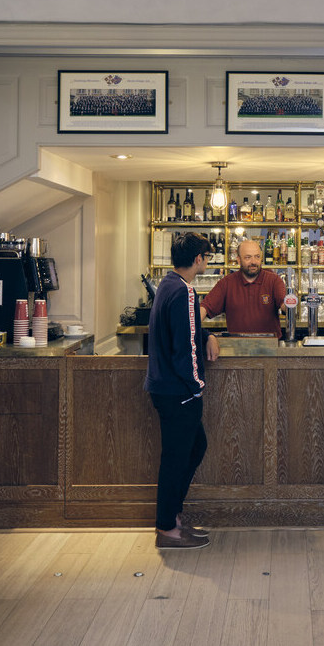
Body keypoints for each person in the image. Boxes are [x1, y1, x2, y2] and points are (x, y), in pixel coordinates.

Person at [143, 232, 221, 549]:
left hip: (164, 387)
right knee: (177, 458)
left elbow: (187, 332)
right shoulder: (186, 292)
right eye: (206, 256)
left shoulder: (167, 283)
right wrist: (197, 386)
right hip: (179, 391)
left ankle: (172, 518)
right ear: (199, 259)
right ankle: (167, 529)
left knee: (193, 448)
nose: (207, 261)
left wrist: (206, 336)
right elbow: (184, 348)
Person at [201, 238, 287, 337]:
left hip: (270, 347)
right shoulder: (227, 283)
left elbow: (284, 304)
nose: (253, 262)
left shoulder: (274, 280)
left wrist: (289, 305)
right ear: (238, 260)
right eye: (248, 257)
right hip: (238, 348)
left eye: (257, 257)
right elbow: (205, 308)